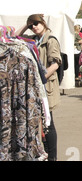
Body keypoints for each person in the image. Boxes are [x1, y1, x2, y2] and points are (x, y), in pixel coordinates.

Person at [17, 14, 61, 161]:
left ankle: (52, 156)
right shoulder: (34, 40)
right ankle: (45, 153)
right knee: (40, 122)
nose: (34, 27)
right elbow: (14, 36)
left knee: (48, 122)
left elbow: (55, 63)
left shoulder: (51, 40)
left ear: (43, 23)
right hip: (36, 86)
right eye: (31, 25)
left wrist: (41, 77)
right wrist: (26, 24)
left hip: (45, 85)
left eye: (36, 23)